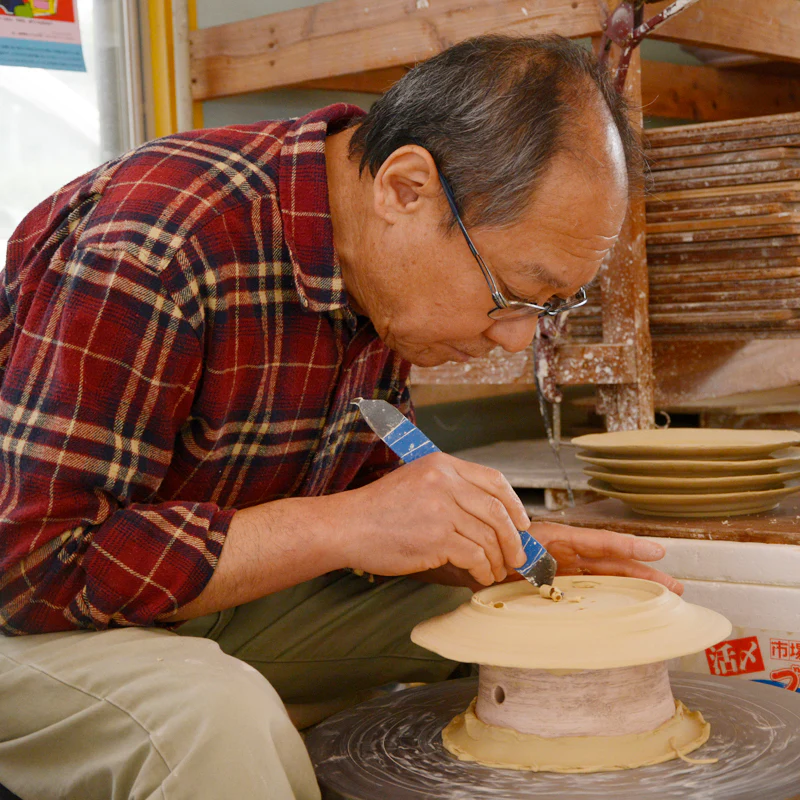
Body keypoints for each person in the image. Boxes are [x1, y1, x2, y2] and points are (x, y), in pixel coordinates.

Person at [0, 34, 681, 799]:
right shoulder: (162, 239)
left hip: (195, 605)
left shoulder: (379, 267)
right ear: (406, 188)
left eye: (552, 306)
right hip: (29, 624)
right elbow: (35, 566)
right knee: (210, 715)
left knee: (515, 630)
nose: (518, 336)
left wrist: (465, 545)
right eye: (517, 289)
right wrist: (346, 525)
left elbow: (367, 482)